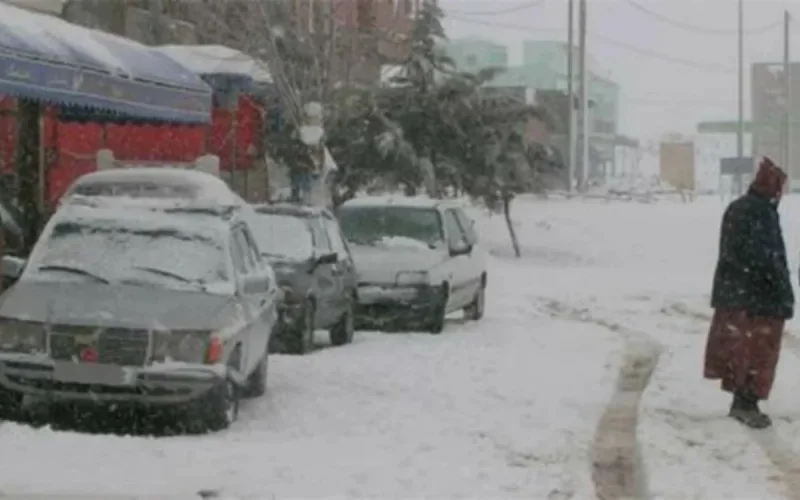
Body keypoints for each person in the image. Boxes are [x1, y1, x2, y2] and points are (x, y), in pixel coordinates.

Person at [704, 157, 794, 429]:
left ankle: (742, 400)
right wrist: (781, 290)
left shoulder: (740, 208)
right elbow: (767, 258)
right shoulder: (760, 213)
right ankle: (747, 402)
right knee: (757, 352)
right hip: (758, 299)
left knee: (738, 350)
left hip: (737, 293)